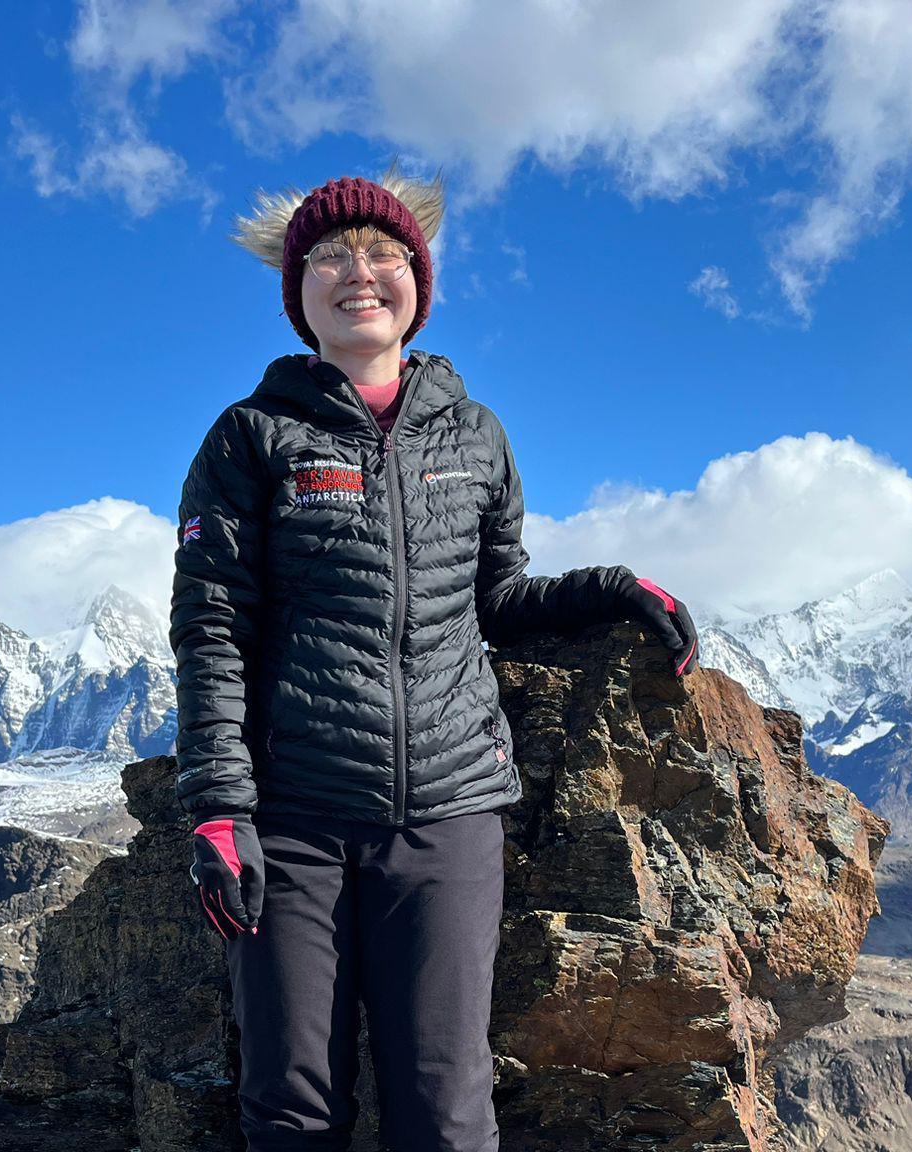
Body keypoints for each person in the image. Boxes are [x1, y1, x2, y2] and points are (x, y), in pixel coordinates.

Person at [169, 169, 700, 1151]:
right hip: (293, 823)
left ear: (417, 279)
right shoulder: (251, 438)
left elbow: (495, 601)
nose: (356, 273)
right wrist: (215, 806)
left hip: (450, 813)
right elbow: (210, 628)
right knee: (290, 1106)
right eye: (329, 256)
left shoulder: (475, 435)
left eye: (381, 254)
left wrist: (611, 591)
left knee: (446, 1104)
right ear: (297, 293)